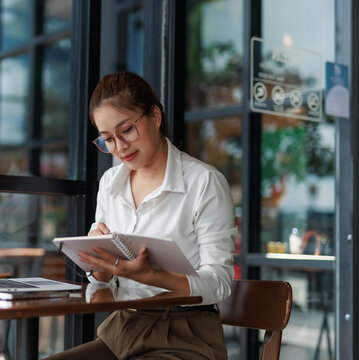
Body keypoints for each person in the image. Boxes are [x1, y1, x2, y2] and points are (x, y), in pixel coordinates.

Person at [46, 71, 236, 360]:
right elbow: (102, 283)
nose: (120, 147)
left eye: (127, 130)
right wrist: (98, 261)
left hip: (186, 336)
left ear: (155, 117)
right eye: (107, 139)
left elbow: (221, 282)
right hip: (122, 330)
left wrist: (154, 276)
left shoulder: (204, 182)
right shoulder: (110, 183)